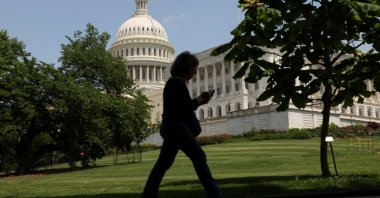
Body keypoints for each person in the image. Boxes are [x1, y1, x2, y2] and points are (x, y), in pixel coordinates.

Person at [142, 51, 223, 198]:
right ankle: (214, 194)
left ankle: (148, 194)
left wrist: (198, 101)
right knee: (198, 156)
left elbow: (179, 107)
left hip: (172, 127)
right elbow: (185, 108)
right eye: (194, 68)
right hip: (177, 128)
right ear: (186, 68)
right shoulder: (176, 82)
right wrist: (200, 100)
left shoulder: (173, 83)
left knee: (163, 164)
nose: (195, 72)